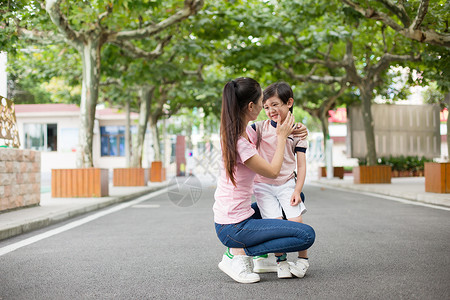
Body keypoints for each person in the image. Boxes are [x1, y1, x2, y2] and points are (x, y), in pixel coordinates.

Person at [213, 77, 315, 284]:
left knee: (297, 197)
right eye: (262, 102)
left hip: (239, 217)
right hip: (234, 227)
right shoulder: (242, 141)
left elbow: (273, 131)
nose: (264, 107)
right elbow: (273, 172)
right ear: (251, 106)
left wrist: (298, 130)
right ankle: (236, 254)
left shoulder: (243, 132)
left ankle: (260, 258)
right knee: (306, 236)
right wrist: (281, 136)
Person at [249, 82, 309, 279]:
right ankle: (281, 262)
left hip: (286, 184)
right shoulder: (258, 128)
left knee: (296, 221)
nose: (270, 110)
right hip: (263, 186)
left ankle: (302, 261)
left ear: (289, 102)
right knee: (275, 225)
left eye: (275, 104)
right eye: (266, 107)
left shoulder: (298, 132)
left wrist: (297, 189)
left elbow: (301, 166)